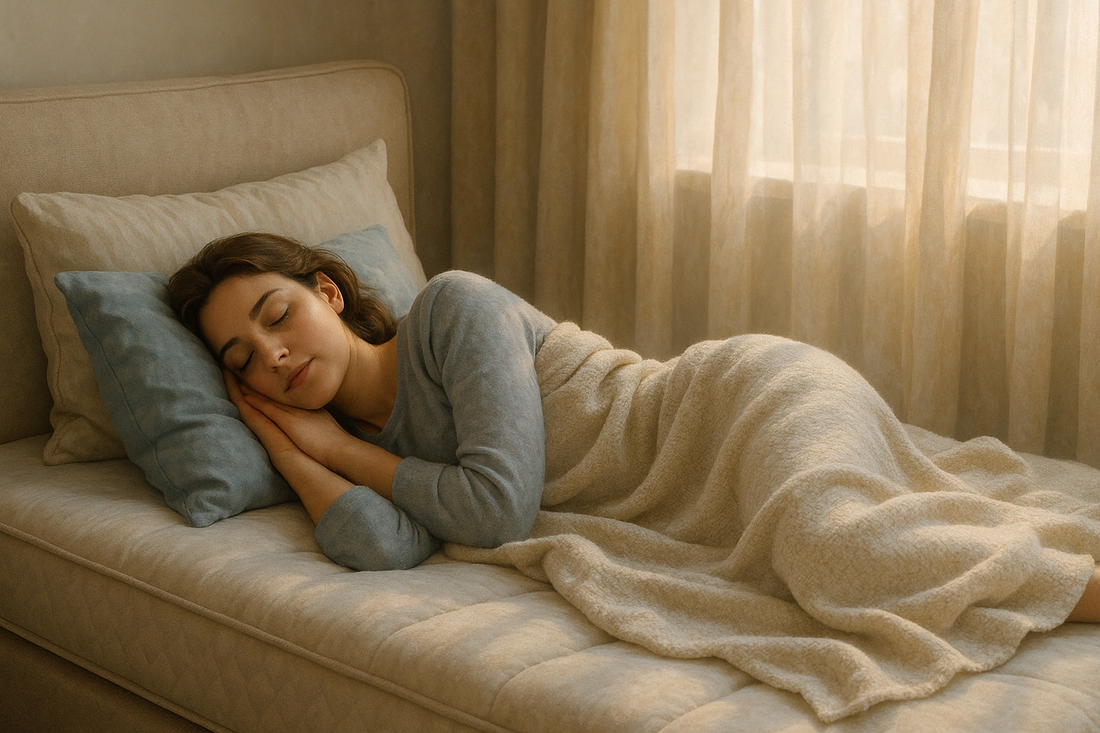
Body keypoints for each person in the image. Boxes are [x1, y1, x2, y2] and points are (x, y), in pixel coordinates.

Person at [169, 231, 1100, 625]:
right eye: (242, 359)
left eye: (277, 314)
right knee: (834, 552)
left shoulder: (450, 310)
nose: (272, 354)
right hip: (706, 489)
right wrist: (289, 446)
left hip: (736, 402)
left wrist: (335, 448)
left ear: (328, 293)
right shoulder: (380, 456)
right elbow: (384, 544)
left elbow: (495, 508)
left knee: (831, 552)